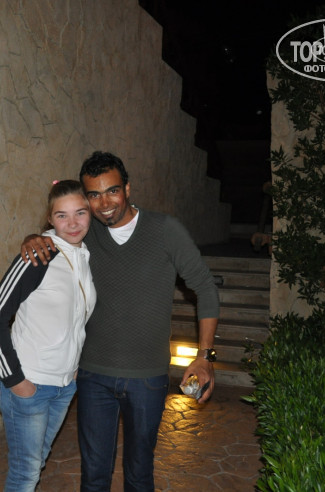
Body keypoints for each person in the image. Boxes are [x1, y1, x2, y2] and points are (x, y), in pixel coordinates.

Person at [20, 151, 220, 491]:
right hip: (93, 375)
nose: (104, 203)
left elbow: (205, 287)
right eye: (94, 195)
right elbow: (56, 233)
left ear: (127, 188)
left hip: (147, 377)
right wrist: (33, 238)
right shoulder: (86, 233)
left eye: (112, 190)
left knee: (139, 473)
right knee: (94, 475)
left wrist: (205, 357)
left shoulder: (165, 230)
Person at [0, 180, 97, 492]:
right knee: (25, 474)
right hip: (30, 384)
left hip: (64, 386)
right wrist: (16, 381)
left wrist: (74, 370)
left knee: (36, 462)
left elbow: (77, 319)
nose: (72, 223)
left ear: (90, 213)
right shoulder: (38, 257)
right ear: (50, 219)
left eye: (80, 213)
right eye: (62, 215)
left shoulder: (84, 256)